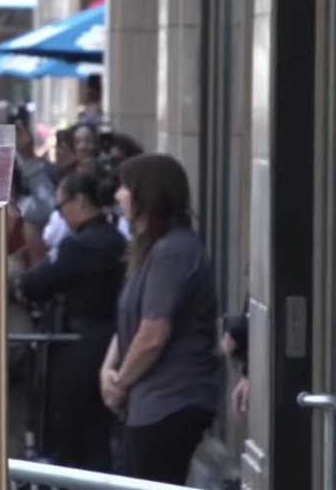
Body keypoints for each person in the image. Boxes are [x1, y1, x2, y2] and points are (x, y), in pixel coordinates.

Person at [100, 154, 219, 484]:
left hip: (170, 402)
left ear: (145, 193)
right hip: (149, 402)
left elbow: (152, 334)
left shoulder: (174, 251)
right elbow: (131, 322)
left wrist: (120, 383)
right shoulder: (150, 250)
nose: (118, 195)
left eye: (125, 187)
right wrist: (107, 370)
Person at [16, 172, 126, 471]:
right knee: (97, 436)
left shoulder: (79, 246)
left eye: (62, 206)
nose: (60, 215)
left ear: (80, 201)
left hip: (78, 350)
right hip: (107, 343)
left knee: (72, 438)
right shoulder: (116, 239)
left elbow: (34, 284)